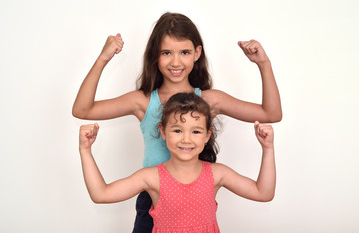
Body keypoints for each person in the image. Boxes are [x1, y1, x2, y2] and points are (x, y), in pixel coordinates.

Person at [73, 12, 281, 232]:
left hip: (197, 197)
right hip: (154, 198)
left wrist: (263, 64)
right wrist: (103, 58)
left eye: (184, 52)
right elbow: (82, 109)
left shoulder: (209, 100)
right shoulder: (143, 101)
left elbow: (271, 114)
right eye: (166, 52)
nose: (175, 61)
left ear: (197, 53)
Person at [79, 93, 276, 233]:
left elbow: (263, 193)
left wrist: (268, 149)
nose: (186, 139)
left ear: (208, 135)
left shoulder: (217, 174)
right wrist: (85, 150)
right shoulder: (151, 177)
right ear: (163, 132)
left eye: (196, 131)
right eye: (177, 130)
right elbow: (101, 194)